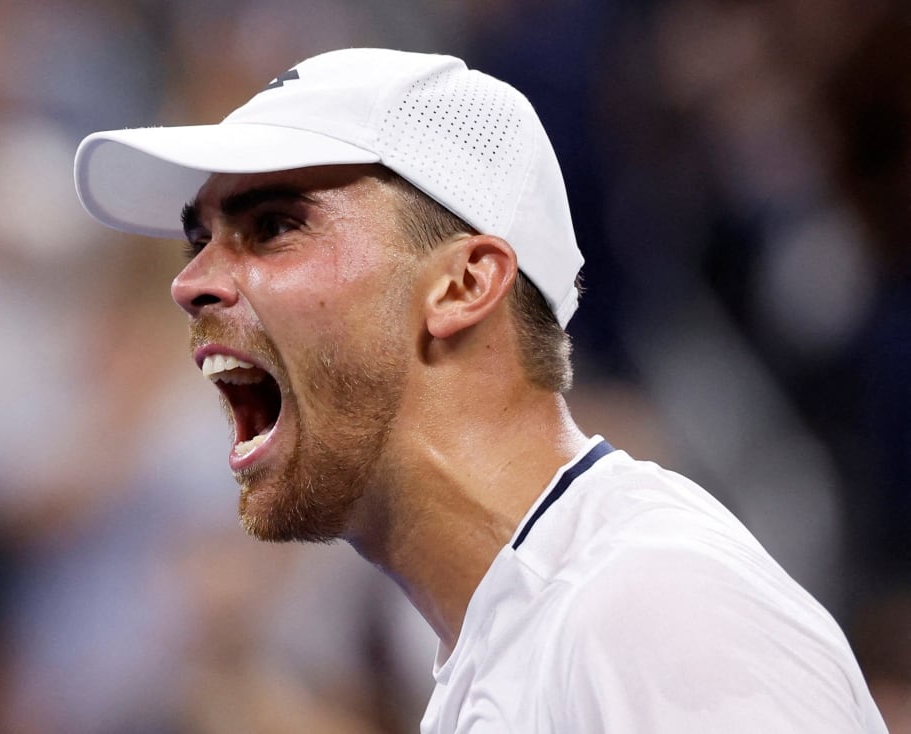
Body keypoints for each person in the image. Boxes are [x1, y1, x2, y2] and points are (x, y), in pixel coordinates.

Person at [72, 48, 887, 733]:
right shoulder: (511, 646)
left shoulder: (653, 610)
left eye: (274, 225)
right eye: (198, 238)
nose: (189, 282)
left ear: (464, 284)